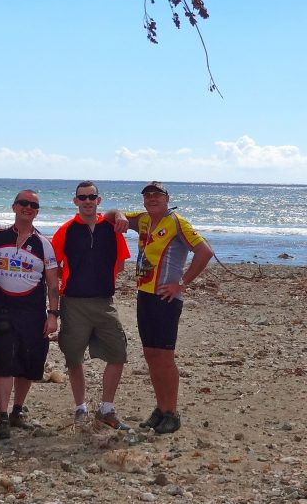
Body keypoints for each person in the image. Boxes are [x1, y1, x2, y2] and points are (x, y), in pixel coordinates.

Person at [116, 181, 213, 434]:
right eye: (147, 195)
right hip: (144, 295)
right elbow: (112, 215)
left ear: (167, 198)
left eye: (157, 195)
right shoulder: (144, 220)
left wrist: (181, 283)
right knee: (150, 355)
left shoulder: (177, 222)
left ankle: (172, 412)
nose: (151, 199)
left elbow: (204, 252)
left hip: (166, 299)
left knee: (165, 357)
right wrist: (116, 216)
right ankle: (160, 408)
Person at [50, 180, 131, 431]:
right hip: (73, 303)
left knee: (118, 353)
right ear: (75, 201)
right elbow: (53, 266)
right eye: (82, 197)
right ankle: (80, 408)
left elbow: (120, 264)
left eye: (91, 197)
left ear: (99, 200)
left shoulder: (111, 229)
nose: (87, 201)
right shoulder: (66, 230)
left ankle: (106, 409)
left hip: (104, 302)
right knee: (74, 357)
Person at [0, 189, 60, 440]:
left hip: (33, 313)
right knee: (4, 363)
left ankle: (17, 411)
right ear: (14, 206)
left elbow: (52, 284)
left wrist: (52, 315)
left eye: (34, 205)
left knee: (28, 365)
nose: (28, 207)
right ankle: (2, 416)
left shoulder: (44, 244)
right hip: (3, 312)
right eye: (23, 203)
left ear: (37, 211)